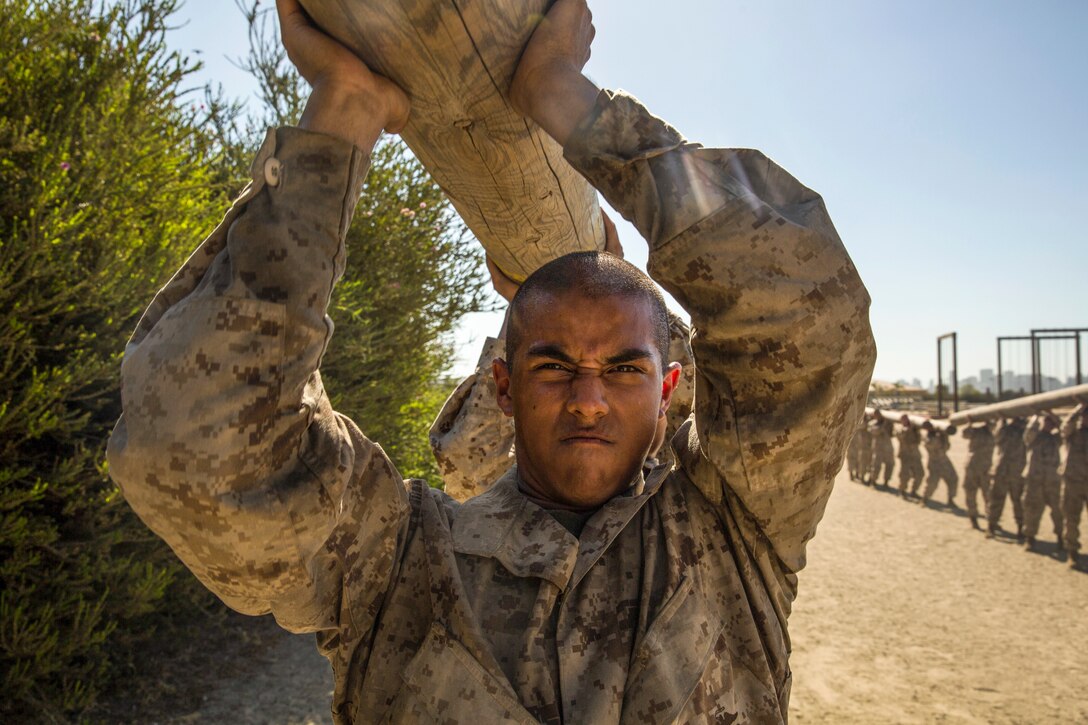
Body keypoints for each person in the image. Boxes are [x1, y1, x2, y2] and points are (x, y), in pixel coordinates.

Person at [106, 0, 875, 721]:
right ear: (502, 386)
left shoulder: (736, 531)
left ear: (670, 382)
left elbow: (806, 299)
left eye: (624, 369)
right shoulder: (398, 562)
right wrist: (342, 116)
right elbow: (192, 443)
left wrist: (568, 103)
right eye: (553, 365)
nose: (588, 399)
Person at [1021, 412, 1063, 551]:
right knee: (1032, 510)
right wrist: (1036, 415)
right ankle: (1030, 538)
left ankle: (1061, 538)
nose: (1049, 424)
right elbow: (1029, 431)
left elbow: (1065, 428)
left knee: (1059, 511)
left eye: (1052, 423)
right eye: (1047, 421)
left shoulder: (1056, 439)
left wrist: (1053, 415)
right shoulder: (1034, 438)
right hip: (1035, 480)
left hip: (1052, 481)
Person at [986, 416, 1028, 540]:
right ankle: (991, 527)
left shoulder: (1026, 432)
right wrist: (1002, 419)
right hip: (1001, 472)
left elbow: (1032, 434)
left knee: (1019, 502)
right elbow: (997, 436)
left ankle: (1021, 529)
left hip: (1018, 473)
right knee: (996, 500)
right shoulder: (1005, 430)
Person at [1060, 403, 1087, 568]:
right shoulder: (1072, 434)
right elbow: (1065, 426)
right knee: (1071, 519)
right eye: (1085, 416)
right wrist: (1079, 408)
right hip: (1073, 483)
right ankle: (1072, 553)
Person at [960, 421, 995, 530]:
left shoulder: (996, 433)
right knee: (970, 494)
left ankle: (991, 521)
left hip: (986, 469)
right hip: (972, 467)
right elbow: (964, 434)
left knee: (989, 496)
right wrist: (969, 423)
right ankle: (973, 519)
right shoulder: (977, 431)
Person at [920, 423, 958, 508]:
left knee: (953, 479)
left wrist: (944, 436)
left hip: (944, 461)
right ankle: (925, 499)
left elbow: (947, 447)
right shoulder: (927, 438)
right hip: (934, 463)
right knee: (932, 483)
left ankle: (950, 499)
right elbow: (931, 445)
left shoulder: (941, 436)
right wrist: (938, 435)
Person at [895, 414, 925, 499]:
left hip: (915, 455)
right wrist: (909, 429)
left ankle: (914, 491)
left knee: (920, 474)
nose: (906, 421)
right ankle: (902, 491)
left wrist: (915, 430)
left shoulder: (914, 429)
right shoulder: (899, 428)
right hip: (905, 455)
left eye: (907, 419)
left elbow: (919, 439)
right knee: (905, 475)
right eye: (903, 419)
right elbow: (900, 436)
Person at [868, 409, 895, 488]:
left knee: (890, 465)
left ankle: (886, 481)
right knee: (876, 465)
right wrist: (883, 424)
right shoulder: (872, 423)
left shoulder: (888, 423)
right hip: (878, 448)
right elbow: (876, 431)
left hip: (888, 448)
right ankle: (873, 481)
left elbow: (892, 433)